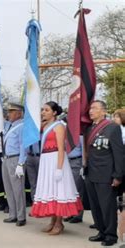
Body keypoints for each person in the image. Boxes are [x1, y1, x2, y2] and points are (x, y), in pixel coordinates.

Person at [30, 102, 83, 235]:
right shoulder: (45, 125)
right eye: (43, 110)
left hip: (56, 160)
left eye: (47, 110)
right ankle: (53, 221)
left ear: (54, 112)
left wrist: (59, 168)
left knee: (58, 190)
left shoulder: (59, 126)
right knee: (50, 190)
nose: (43, 112)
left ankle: (59, 223)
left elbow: (61, 148)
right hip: (46, 160)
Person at [84, 100, 125, 246]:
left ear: (103, 111)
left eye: (94, 108)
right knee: (95, 206)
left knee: (107, 206)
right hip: (91, 172)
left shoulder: (112, 127)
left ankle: (110, 235)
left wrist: (118, 175)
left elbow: (118, 153)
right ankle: (101, 231)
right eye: (90, 108)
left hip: (106, 174)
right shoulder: (89, 128)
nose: (90, 110)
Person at [2, 103, 27, 227]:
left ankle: (21, 216)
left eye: (12, 111)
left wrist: (21, 163)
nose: (9, 114)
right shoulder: (10, 125)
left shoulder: (22, 126)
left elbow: (23, 145)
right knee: (9, 188)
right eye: (9, 111)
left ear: (19, 113)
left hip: (15, 159)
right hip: (6, 159)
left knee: (18, 189)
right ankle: (13, 214)